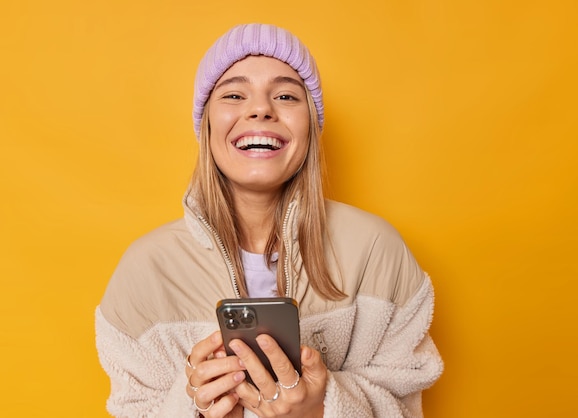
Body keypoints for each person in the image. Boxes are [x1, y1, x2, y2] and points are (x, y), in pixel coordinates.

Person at [95, 23, 443, 418]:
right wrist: (192, 407)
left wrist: (320, 407)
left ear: (309, 125)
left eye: (285, 95)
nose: (260, 108)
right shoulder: (145, 269)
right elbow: (134, 410)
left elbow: (403, 401)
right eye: (233, 94)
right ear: (207, 124)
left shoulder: (377, 249)